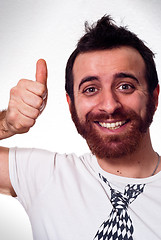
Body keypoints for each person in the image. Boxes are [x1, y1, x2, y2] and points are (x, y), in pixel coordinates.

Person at [0, 15, 160, 240]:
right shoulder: (44, 175)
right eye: (90, 89)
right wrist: (5, 125)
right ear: (70, 104)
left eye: (125, 86)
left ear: (154, 97)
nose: (109, 105)